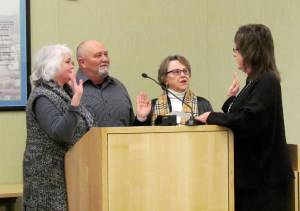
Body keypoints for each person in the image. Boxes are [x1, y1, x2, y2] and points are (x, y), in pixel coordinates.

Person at [196, 24, 294, 211]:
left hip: (265, 183)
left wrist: (211, 116)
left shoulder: (267, 80)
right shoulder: (253, 81)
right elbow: (239, 116)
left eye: (237, 49)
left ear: (250, 51)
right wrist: (232, 98)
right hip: (252, 179)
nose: (234, 54)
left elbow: (249, 122)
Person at [23, 45, 94, 210]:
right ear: (51, 66)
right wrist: (76, 100)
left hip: (71, 173)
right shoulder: (42, 96)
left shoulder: (66, 92)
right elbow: (60, 133)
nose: (73, 66)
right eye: (68, 62)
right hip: (48, 181)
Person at [136, 54, 212, 125]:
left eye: (185, 71)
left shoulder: (202, 105)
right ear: (165, 79)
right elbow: (138, 137)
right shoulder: (151, 106)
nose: (183, 75)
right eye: (176, 72)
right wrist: (141, 118)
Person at [76, 40, 135, 126]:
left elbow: (131, 126)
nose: (105, 59)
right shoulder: (71, 87)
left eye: (106, 55)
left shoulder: (118, 86)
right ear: (82, 62)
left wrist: (141, 118)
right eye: (98, 56)